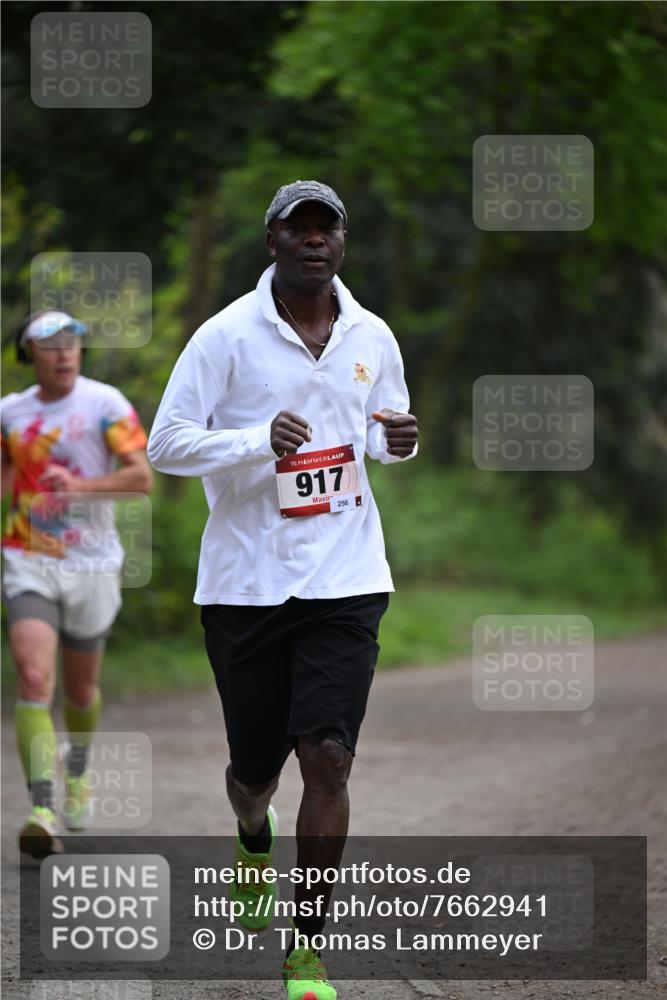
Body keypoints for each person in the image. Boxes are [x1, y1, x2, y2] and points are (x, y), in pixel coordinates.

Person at [147, 180, 418, 1000]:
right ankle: (250, 829)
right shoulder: (225, 335)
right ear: (272, 241)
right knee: (255, 771)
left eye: (325, 228)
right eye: (297, 228)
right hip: (247, 584)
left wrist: (398, 442)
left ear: (341, 241)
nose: (313, 240)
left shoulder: (371, 334)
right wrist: (254, 441)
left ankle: (306, 952)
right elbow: (166, 444)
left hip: (346, 577)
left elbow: (381, 433)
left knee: (328, 759)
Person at [1, 309, 153, 857]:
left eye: (73, 342)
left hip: (92, 563)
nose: (64, 352)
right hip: (29, 556)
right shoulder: (10, 413)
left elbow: (141, 477)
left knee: (81, 691)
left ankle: (79, 770)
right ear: (29, 353)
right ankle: (42, 810)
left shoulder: (105, 404)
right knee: (34, 678)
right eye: (50, 344)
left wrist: (80, 487)